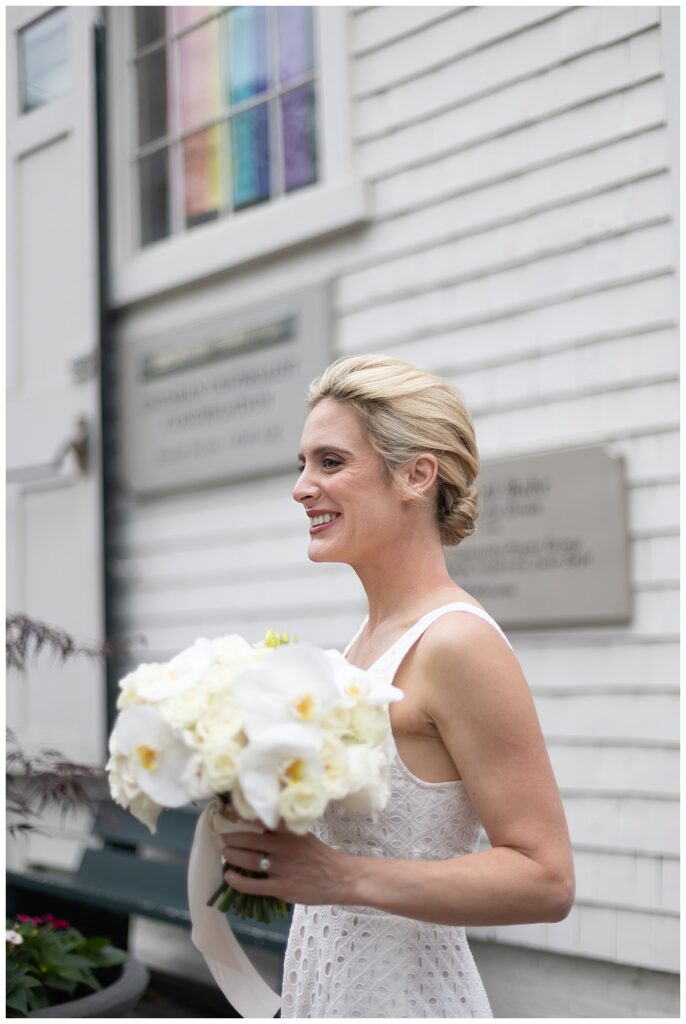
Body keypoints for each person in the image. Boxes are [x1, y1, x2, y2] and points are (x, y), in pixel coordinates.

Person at [220, 354, 575, 1018]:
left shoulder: (458, 644)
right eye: (302, 464)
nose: (302, 487)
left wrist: (342, 877)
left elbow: (546, 878)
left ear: (416, 474)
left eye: (329, 463)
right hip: (325, 990)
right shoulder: (364, 641)